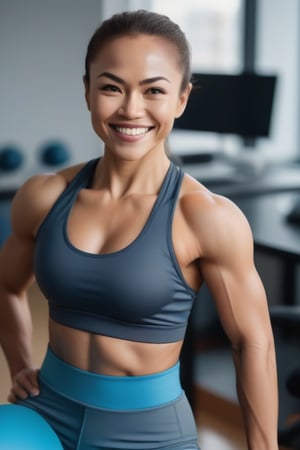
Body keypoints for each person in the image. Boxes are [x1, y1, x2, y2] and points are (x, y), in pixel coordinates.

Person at [0, 9, 278, 450]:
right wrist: (19, 368)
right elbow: (7, 287)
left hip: (146, 434)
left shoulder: (205, 217)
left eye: (154, 91)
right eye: (111, 87)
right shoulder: (44, 196)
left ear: (182, 99)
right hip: (46, 413)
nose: (131, 109)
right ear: (88, 91)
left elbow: (253, 342)